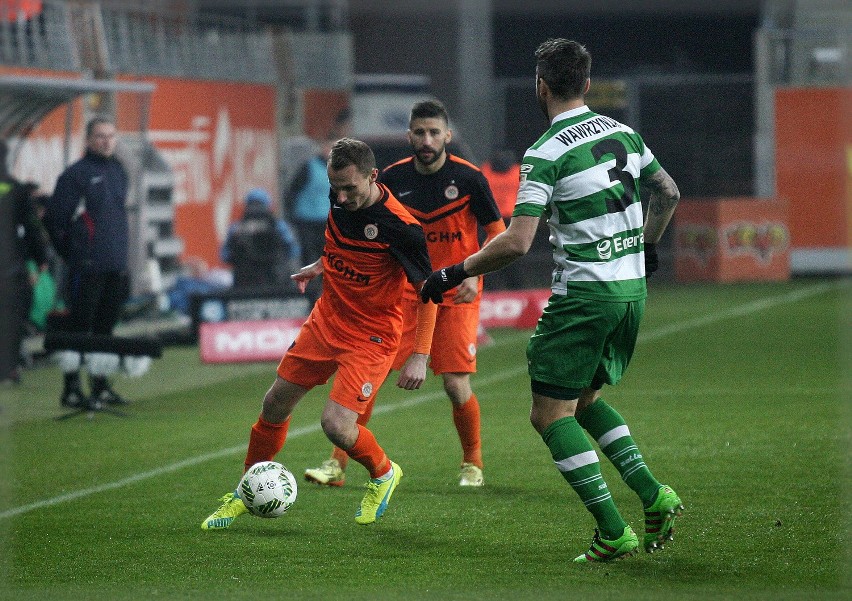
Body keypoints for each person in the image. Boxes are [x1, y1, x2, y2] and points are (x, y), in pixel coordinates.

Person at [420, 39, 683, 563]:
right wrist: (647, 247)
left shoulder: (545, 152)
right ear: (586, 84)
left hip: (585, 297)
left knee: (548, 414)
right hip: (631, 290)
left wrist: (454, 271)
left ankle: (613, 530)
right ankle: (655, 495)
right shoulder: (625, 133)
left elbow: (518, 242)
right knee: (582, 401)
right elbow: (668, 192)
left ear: (540, 86)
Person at [201, 138, 438, 529]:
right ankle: (245, 491)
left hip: (371, 335)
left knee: (337, 425)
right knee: (274, 404)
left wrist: (420, 354)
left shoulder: (402, 228)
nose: (341, 197)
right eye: (336, 188)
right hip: (327, 320)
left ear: (373, 177)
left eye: (350, 189)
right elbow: (341, 244)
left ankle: (383, 473)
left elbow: (429, 289)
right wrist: (320, 265)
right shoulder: (339, 198)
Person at [303, 99, 505, 488]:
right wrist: (322, 262)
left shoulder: (469, 179)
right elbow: (353, 228)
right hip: (409, 296)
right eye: (419, 132)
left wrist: (475, 276)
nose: (426, 139)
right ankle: (337, 464)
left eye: (434, 132)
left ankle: (472, 463)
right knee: (371, 377)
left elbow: (498, 231)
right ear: (408, 135)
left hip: (456, 292)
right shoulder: (390, 179)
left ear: (447, 135)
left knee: (454, 383)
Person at [43, 116, 130, 410]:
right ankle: (70, 388)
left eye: (111, 135)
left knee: (105, 328)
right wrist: (74, 255)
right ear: (89, 140)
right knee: (78, 327)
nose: (106, 141)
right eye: (100, 136)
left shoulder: (118, 170)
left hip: (114, 263)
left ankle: (101, 386)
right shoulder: (75, 176)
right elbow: (54, 220)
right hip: (88, 266)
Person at [0, 141, 49, 384]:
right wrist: (41, 258)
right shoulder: (16, 190)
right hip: (9, 267)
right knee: (13, 316)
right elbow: (32, 227)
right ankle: (8, 366)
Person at [221, 187, 301, 290]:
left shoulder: (236, 228)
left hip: (245, 282)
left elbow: (225, 255)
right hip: (275, 280)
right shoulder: (280, 226)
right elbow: (293, 250)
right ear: (268, 205)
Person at [285, 138, 334, 298]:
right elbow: (292, 191)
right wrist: (291, 216)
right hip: (306, 220)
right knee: (308, 255)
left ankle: (326, 289)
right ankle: (310, 291)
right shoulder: (308, 167)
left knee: (327, 256)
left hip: (326, 221)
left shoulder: (336, 169)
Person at [480, 149, 524, 290]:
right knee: (504, 255)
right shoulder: (518, 173)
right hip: (502, 220)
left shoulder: (485, 171)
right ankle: (513, 287)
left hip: (497, 219)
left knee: (491, 255)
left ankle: (505, 287)